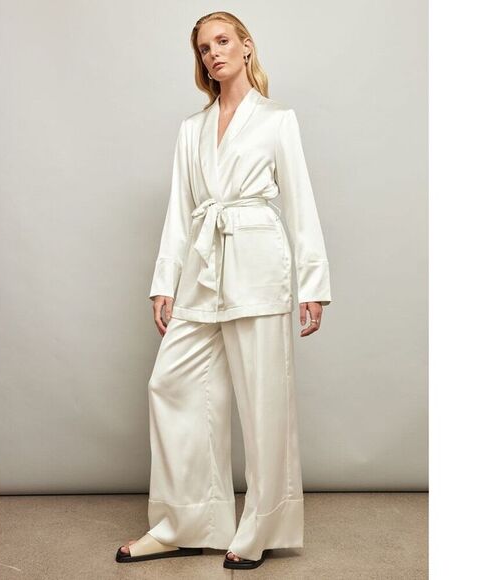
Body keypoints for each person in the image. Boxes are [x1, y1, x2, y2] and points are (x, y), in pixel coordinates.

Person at [116, 11, 331, 571]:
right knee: (172, 383)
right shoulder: (192, 128)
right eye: (204, 48)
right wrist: (165, 281)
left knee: (264, 400)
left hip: (258, 262)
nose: (213, 53)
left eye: (222, 41)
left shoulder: (277, 119)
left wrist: (312, 283)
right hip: (203, 267)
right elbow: (180, 210)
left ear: (246, 46)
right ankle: (184, 522)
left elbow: (300, 202)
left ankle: (260, 528)